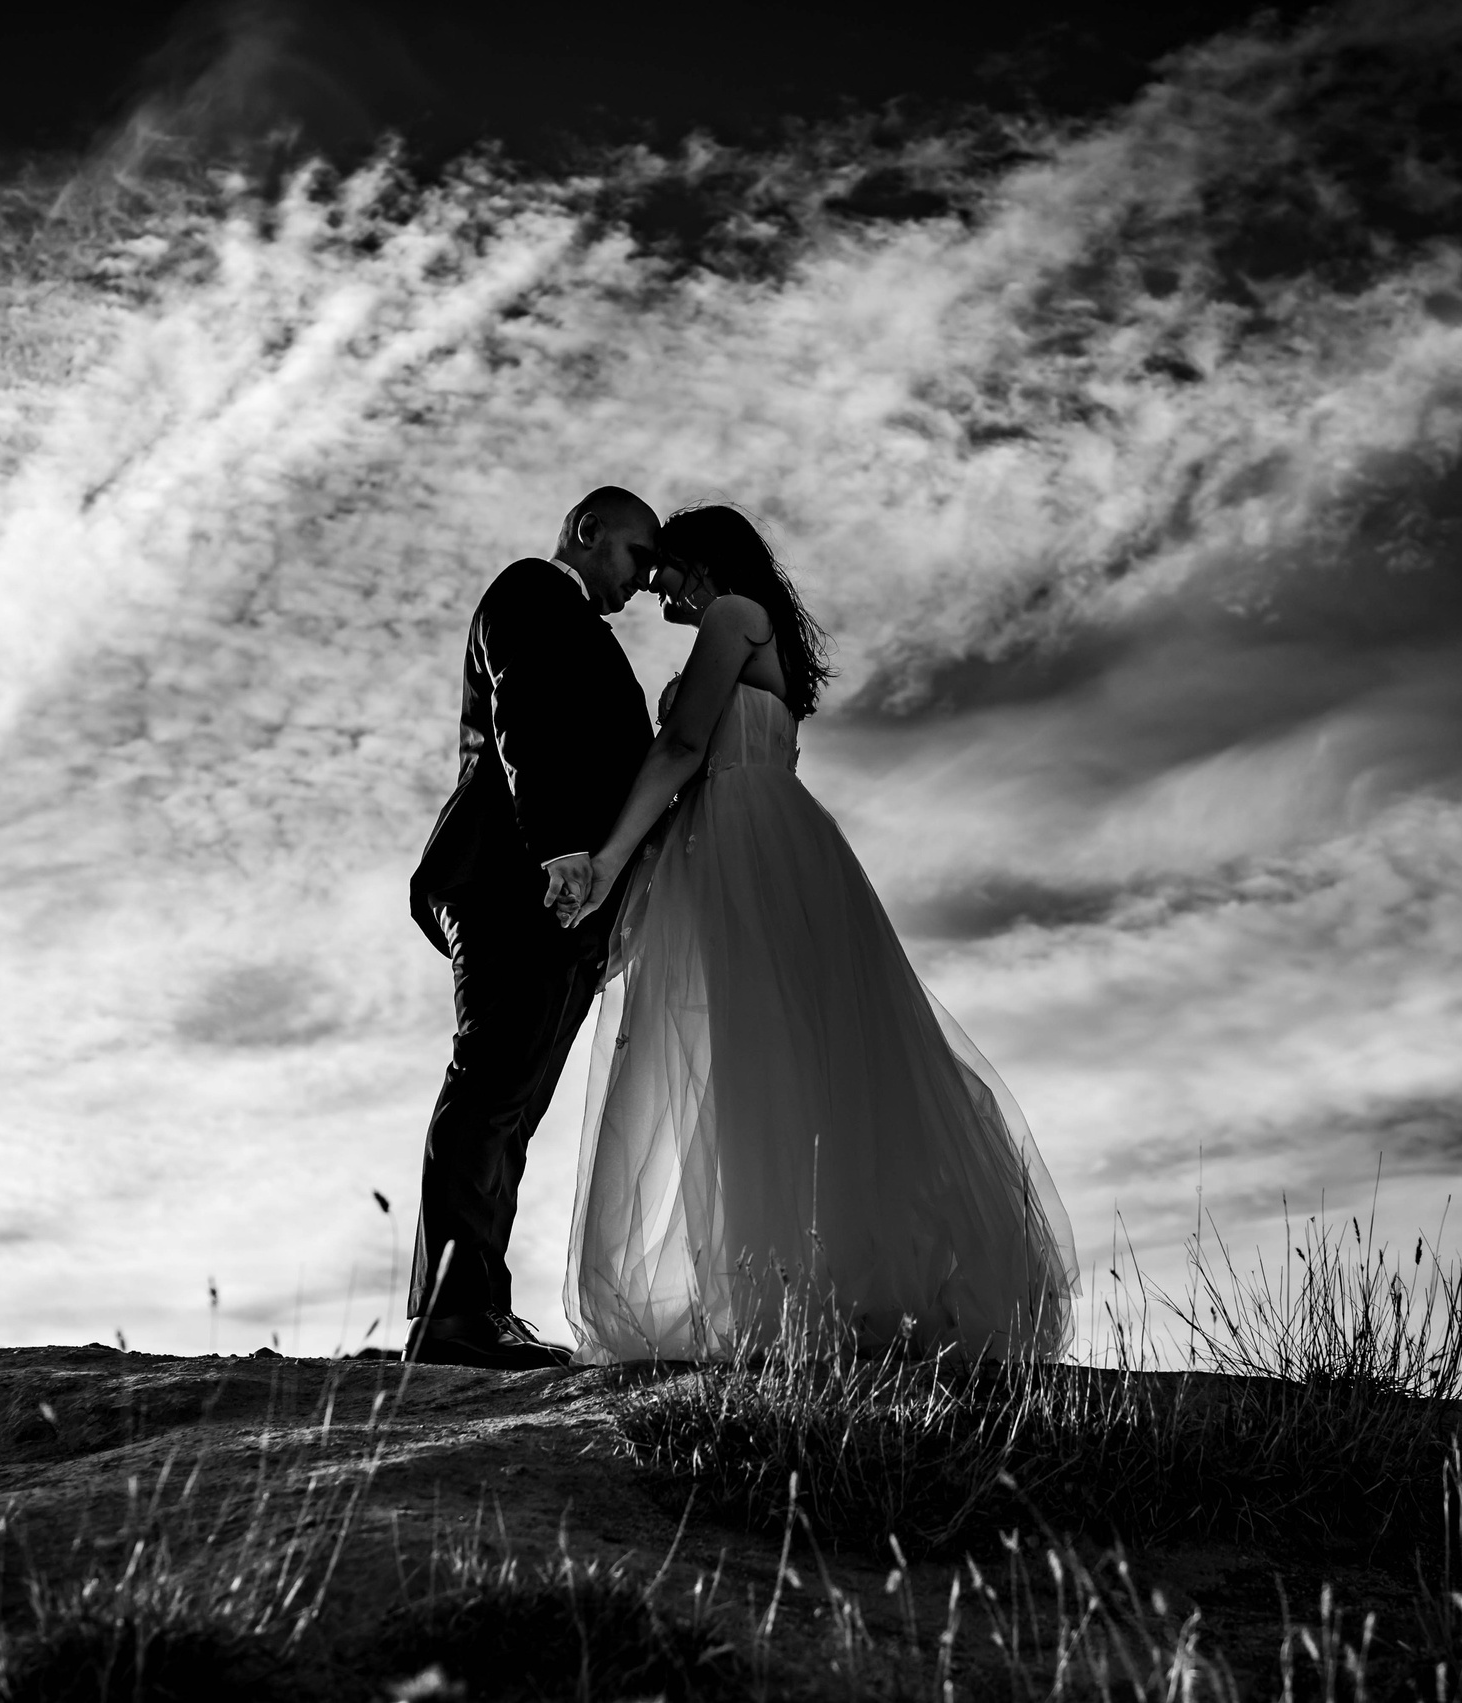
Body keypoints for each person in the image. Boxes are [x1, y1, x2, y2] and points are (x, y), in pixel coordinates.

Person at [547, 505, 1076, 1362]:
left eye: (667, 568)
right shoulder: (755, 634)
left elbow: (683, 745)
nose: (655, 586)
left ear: (708, 563)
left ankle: (783, 1295)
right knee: (777, 1071)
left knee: (756, 1066)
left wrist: (605, 864)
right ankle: (785, 1293)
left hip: (743, 847)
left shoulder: (733, 616)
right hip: (750, 846)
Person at [404, 487, 670, 1369]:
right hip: (510, 879)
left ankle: (480, 1308)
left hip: (564, 906)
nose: (643, 579)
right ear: (588, 533)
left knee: (513, 1108)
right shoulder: (530, 591)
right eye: (637, 554)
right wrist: (560, 849)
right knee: (487, 1083)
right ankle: (449, 1317)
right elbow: (528, 721)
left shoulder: (587, 631)